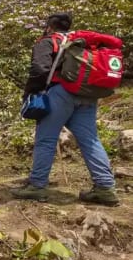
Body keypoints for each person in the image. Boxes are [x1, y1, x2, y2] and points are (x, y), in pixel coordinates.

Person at [11, 13, 119, 206]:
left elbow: (39, 69)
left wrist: (30, 93)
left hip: (61, 93)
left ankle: (37, 186)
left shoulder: (48, 41)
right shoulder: (79, 42)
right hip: (87, 95)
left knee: (46, 140)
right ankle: (105, 188)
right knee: (90, 140)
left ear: (50, 27)